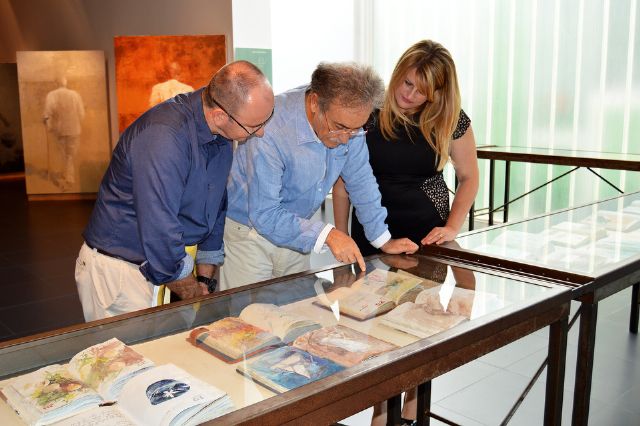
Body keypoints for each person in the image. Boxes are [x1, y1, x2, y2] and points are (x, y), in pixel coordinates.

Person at [332, 40, 479, 425]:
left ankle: (412, 410)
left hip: (425, 235)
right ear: (399, 72)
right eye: (407, 82)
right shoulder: (370, 111)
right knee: (374, 327)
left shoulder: (451, 118)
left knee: (418, 327)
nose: (409, 94)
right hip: (373, 231)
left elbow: (468, 177)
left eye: (422, 91)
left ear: (438, 94)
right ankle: (382, 412)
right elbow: (344, 183)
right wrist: (340, 237)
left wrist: (451, 227)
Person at [75, 60, 274, 322]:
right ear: (219, 115)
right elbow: (159, 225)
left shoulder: (222, 130)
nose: (261, 133)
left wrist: (205, 275)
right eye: (254, 125)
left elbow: (216, 202)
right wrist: (191, 288)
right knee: (133, 348)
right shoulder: (163, 137)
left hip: (165, 263)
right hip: (122, 271)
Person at [220, 62, 418, 291]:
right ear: (315, 102)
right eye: (339, 127)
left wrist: (382, 239)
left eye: (356, 129)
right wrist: (328, 235)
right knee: (247, 311)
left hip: (297, 229)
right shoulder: (272, 128)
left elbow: (361, 179)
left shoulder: (350, 125)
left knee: (296, 308)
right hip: (248, 233)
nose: (346, 139)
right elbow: (265, 213)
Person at [43, 75, 85, 190]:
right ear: (66, 83)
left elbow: (47, 113)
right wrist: (77, 122)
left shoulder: (51, 95)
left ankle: (67, 178)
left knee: (63, 154)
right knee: (70, 155)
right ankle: (68, 177)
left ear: (56, 83)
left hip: (60, 129)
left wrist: (48, 125)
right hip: (74, 129)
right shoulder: (75, 95)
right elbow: (81, 113)